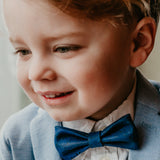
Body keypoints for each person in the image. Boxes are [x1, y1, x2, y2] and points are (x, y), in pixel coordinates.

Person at [0, 0, 160, 159]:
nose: (35, 73)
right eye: (23, 51)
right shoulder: (16, 138)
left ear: (137, 43)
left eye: (64, 48)